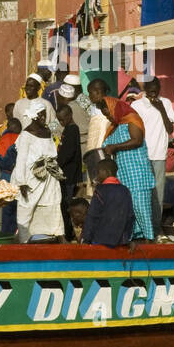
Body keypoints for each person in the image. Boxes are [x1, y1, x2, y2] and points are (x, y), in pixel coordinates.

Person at [90, 78, 156, 241]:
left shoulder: (131, 118)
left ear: (114, 107)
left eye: (108, 112)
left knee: (141, 208)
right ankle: (133, 238)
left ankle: (149, 240)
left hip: (137, 172)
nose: (107, 116)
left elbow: (137, 140)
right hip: (124, 175)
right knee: (128, 209)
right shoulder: (115, 126)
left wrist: (115, 147)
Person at [11, 100, 64, 242]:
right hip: (31, 177)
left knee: (53, 203)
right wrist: (21, 182)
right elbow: (21, 160)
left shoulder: (48, 131)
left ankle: (57, 234)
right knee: (26, 208)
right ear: (34, 116)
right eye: (41, 115)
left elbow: (52, 151)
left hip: (48, 176)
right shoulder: (26, 135)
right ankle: (23, 239)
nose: (43, 118)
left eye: (44, 115)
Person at [132, 78, 174, 223]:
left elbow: (170, 129)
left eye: (156, 87)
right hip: (141, 154)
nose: (153, 90)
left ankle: (156, 227)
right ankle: (143, 226)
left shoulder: (166, 103)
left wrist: (161, 109)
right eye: (150, 87)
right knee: (142, 193)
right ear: (145, 88)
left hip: (159, 154)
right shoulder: (136, 105)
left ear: (159, 88)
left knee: (158, 194)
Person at [82, 159, 135, 248]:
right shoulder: (125, 190)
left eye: (98, 172)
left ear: (106, 172)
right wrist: (127, 239)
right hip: (120, 241)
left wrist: (86, 239)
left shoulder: (100, 190)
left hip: (100, 239)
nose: (97, 176)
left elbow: (92, 216)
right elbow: (130, 216)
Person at [56, 103, 83, 238]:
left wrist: (57, 163)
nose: (61, 122)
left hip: (69, 175)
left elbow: (70, 152)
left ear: (70, 116)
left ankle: (68, 233)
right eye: (59, 120)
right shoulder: (67, 129)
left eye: (63, 119)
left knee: (67, 204)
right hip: (65, 174)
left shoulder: (72, 130)